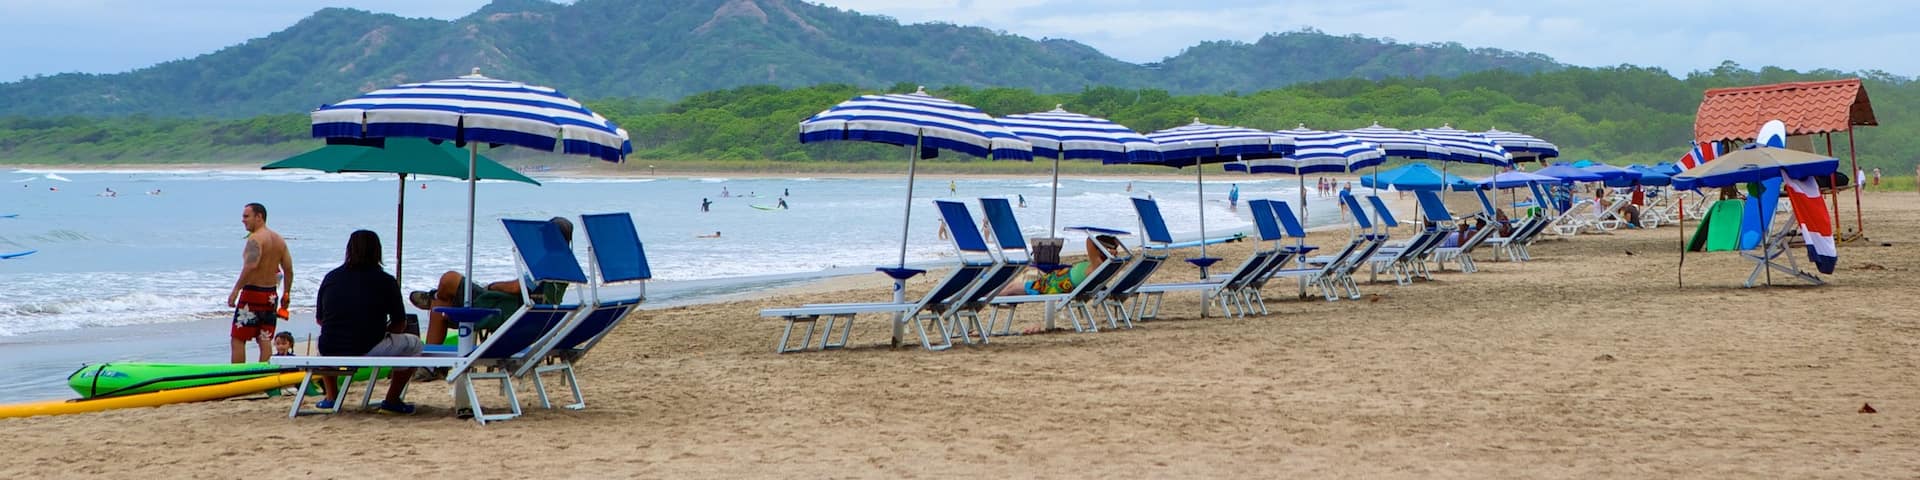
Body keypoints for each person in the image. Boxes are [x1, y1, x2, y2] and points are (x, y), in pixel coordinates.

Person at [410, 217, 572, 347]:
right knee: (440, 307)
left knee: (449, 278)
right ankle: (429, 366)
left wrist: (493, 286)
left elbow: (516, 287)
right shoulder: (566, 264)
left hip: (506, 311)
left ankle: (433, 297)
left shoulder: (546, 263)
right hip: (532, 317)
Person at [315, 230, 422, 414]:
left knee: (325, 342)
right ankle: (392, 400)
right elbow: (399, 324)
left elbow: (320, 319)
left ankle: (331, 397)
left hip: (329, 345)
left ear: (349, 249)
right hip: (366, 345)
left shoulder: (331, 277)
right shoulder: (386, 281)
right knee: (414, 345)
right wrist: (382, 331)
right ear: (377, 252)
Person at [228, 203, 293, 364]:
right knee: (264, 338)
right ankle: (263, 376)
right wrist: (286, 293)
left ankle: (237, 378)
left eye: (246, 216)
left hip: (252, 293)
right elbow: (289, 270)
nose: (243, 220)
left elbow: (251, 265)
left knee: (238, 338)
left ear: (259, 217)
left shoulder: (256, 238)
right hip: (270, 295)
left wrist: (236, 289)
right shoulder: (279, 240)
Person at [1000, 235, 1122, 296]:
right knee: (1013, 285)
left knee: (1013, 287)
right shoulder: (1106, 264)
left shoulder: (1098, 265)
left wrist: (1105, 245)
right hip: (1056, 279)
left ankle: (986, 297)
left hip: (1055, 284)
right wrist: (1111, 243)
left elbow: (1089, 240)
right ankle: (990, 294)